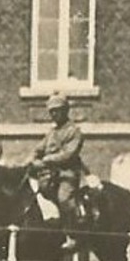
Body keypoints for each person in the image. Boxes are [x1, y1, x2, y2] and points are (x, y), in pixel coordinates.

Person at [28, 93, 87, 227]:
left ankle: (73, 233)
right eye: (52, 111)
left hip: (66, 174)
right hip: (48, 175)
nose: (54, 114)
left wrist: (46, 160)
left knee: (64, 198)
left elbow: (68, 154)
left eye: (57, 110)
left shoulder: (74, 131)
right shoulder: (52, 132)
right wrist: (32, 159)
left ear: (65, 110)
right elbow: (39, 148)